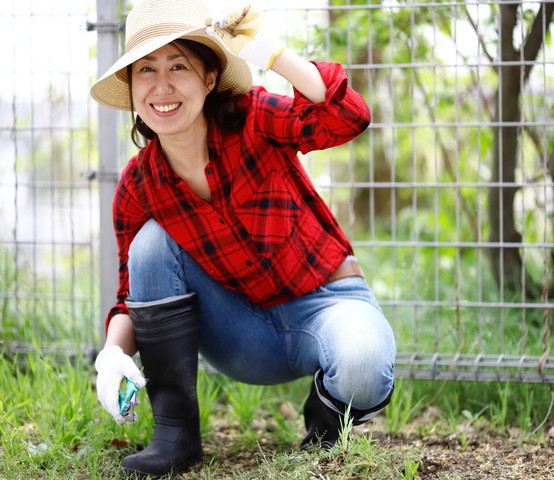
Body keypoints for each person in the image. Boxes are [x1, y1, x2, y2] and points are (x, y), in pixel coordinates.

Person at [90, 0, 396, 478]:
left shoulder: (253, 119)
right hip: (241, 333)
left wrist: (274, 55)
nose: (162, 86)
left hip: (326, 301)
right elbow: (132, 294)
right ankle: (175, 437)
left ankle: (325, 428)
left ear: (209, 78)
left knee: (363, 366)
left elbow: (346, 117)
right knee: (150, 242)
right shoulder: (138, 185)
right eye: (145, 69)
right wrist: (111, 357)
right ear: (131, 86)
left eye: (179, 66)